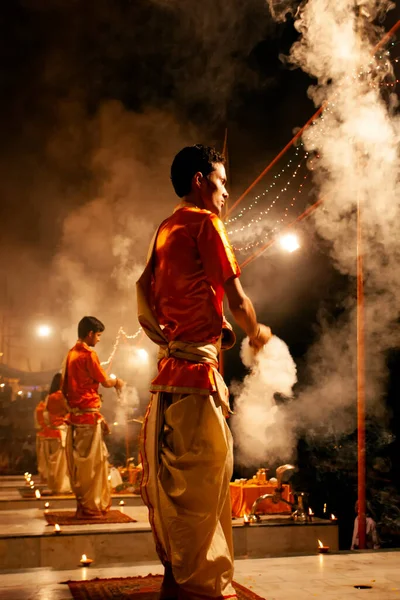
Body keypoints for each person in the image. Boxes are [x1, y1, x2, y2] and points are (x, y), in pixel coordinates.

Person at [137, 145, 272, 600]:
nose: (226, 192)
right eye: (222, 181)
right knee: (203, 487)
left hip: (167, 378)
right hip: (195, 381)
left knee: (176, 486)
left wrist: (206, 333)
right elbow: (236, 297)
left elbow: (147, 294)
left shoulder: (164, 229)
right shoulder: (204, 223)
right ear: (199, 180)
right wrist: (255, 330)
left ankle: (176, 578)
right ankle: (196, 588)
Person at [62, 316, 124, 517]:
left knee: (81, 465)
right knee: (93, 465)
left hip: (76, 417)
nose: (98, 340)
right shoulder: (88, 355)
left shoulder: (71, 354)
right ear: (89, 333)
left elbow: (64, 388)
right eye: (98, 335)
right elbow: (105, 381)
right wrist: (117, 383)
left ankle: (84, 504)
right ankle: (92, 506)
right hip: (88, 417)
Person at [37, 373, 71, 495]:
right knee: (62, 463)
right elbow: (70, 410)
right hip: (60, 431)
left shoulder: (49, 397)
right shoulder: (60, 396)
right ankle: (62, 486)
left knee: (54, 462)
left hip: (51, 433)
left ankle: (55, 486)